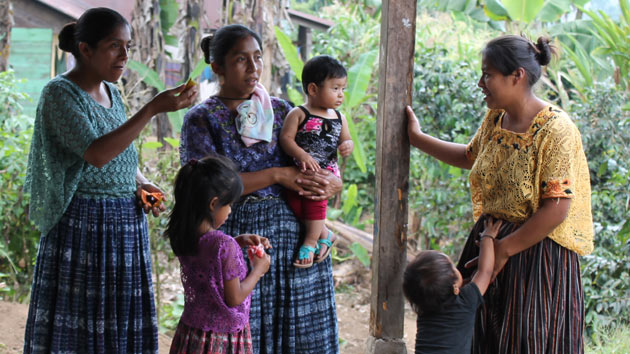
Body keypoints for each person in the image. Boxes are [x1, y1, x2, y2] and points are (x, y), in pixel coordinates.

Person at [23, 7, 197, 353]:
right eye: (114, 46)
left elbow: (118, 151)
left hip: (123, 223)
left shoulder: (112, 92)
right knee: (81, 323)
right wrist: (151, 109)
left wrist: (141, 181)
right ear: (85, 49)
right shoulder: (59, 94)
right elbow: (97, 153)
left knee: (118, 321)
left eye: (127, 46)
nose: (125, 56)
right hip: (82, 225)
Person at [406, 34, 594, 353]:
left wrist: (503, 250)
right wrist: (417, 138)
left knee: (527, 340)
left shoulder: (555, 130)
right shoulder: (497, 117)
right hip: (491, 245)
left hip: (535, 256)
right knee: (483, 340)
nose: (481, 83)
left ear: (516, 76)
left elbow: (557, 208)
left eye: (488, 74)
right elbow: (470, 156)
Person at [179, 24, 340, 353]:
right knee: (249, 332)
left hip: (295, 237)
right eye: (241, 59)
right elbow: (206, 188)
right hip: (242, 242)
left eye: (257, 58)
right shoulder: (202, 119)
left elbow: (321, 162)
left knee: (302, 333)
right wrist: (277, 175)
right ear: (218, 67)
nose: (254, 68)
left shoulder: (282, 111)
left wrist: (330, 184)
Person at [165, 155, 271, 354]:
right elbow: (234, 298)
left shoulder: (183, 234)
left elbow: (209, 259)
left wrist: (238, 241)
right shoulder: (223, 244)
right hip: (221, 339)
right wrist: (258, 270)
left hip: (192, 333)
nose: (230, 210)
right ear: (213, 204)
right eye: (229, 204)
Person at [279, 55, 353, 268]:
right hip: (299, 170)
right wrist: (301, 154)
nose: (341, 95)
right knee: (293, 201)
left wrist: (347, 145)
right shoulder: (299, 113)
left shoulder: (339, 117)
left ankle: (310, 243)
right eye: (335, 88)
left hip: (325, 173)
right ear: (313, 89)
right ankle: (324, 233)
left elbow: (345, 138)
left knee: (315, 200)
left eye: (343, 89)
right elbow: (286, 139)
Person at [403, 217, 502, 353]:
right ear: (455, 288)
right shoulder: (465, 301)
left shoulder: (424, 307)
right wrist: (487, 237)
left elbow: (467, 282)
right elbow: (485, 272)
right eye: (453, 267)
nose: (456, 267)